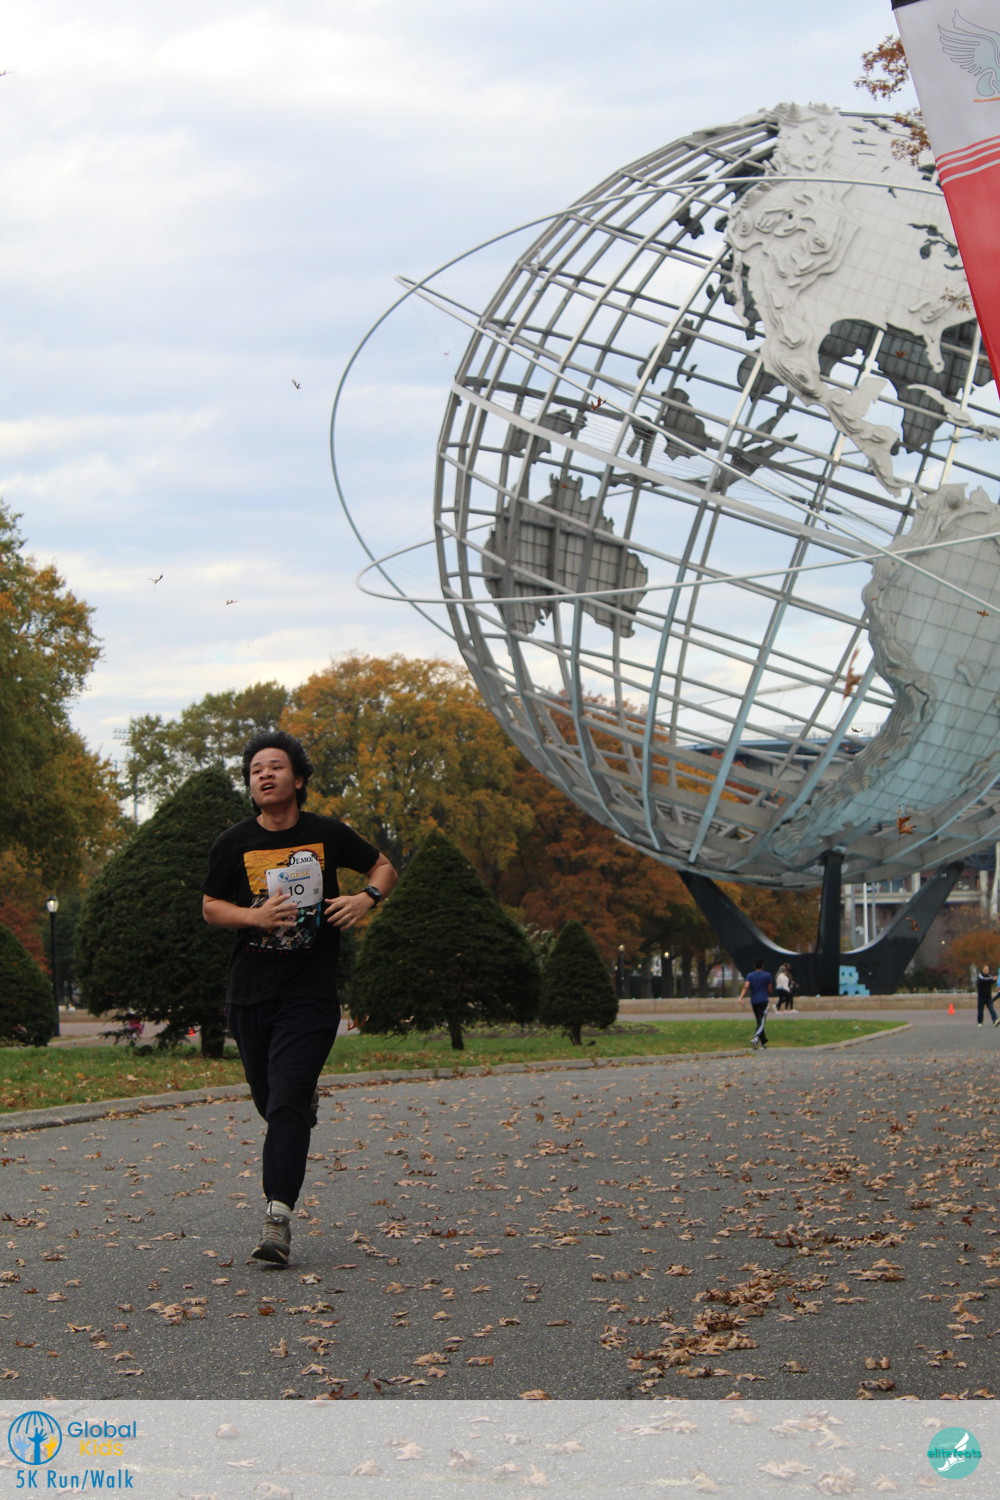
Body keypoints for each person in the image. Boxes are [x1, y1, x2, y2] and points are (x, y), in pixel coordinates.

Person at [202, 729, 397, 1267]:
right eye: (255, 770)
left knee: (286, 1102)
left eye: (275, 767)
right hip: (250, 992)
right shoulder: (233, 842)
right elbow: (211, 907)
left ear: (300, 779)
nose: (264, 775)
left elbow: (384, 867)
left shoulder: (327, 834)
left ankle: (277, 1218)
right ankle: (297, 1105)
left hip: (309, 991)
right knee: (272, 1101)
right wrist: (255, 917)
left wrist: (366, 898)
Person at [738, 957, 772, 1050]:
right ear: (763, 965)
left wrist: (741, 997)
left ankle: (763, 1042)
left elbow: (746, 987)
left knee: (759, 1021)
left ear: (754, 966)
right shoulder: (767, 975)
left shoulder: (750, 975)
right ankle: (755, 1038)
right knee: (762, 1021)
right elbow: (769, 988)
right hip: (763, 1000)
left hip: (754, 1000)